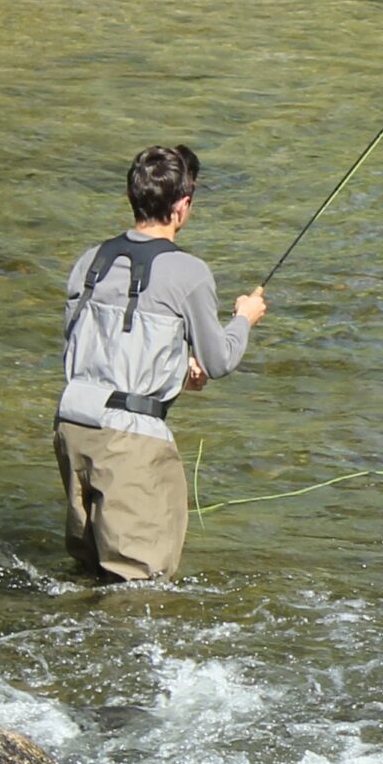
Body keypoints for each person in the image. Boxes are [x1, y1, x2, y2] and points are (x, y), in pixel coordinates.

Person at [54, 144, 266, 581]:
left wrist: (174, 366)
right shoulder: (188, 272)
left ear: (131, 197)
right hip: (130, 441)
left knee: (87, 573)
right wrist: (244, 318)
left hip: (72, 427)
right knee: (140, 583)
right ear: (183, 206)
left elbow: (89, 344)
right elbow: (219, 360)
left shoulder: (89, 260)